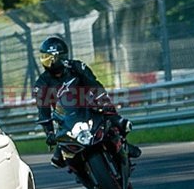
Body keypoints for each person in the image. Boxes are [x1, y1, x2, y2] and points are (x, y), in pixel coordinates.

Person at [34, 36, 141, 168]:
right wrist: (49, 132)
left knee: (118, 122)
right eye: (43, 57)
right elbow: (43, 109)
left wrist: (104, 104)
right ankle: (79, 168)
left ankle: (123, 145)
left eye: (49, 58)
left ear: (59, 57)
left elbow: (94, 85)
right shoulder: (42, 83)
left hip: (89, 107)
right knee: (58, 159)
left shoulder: (77, 67)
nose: (45, 62)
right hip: (66, 119)